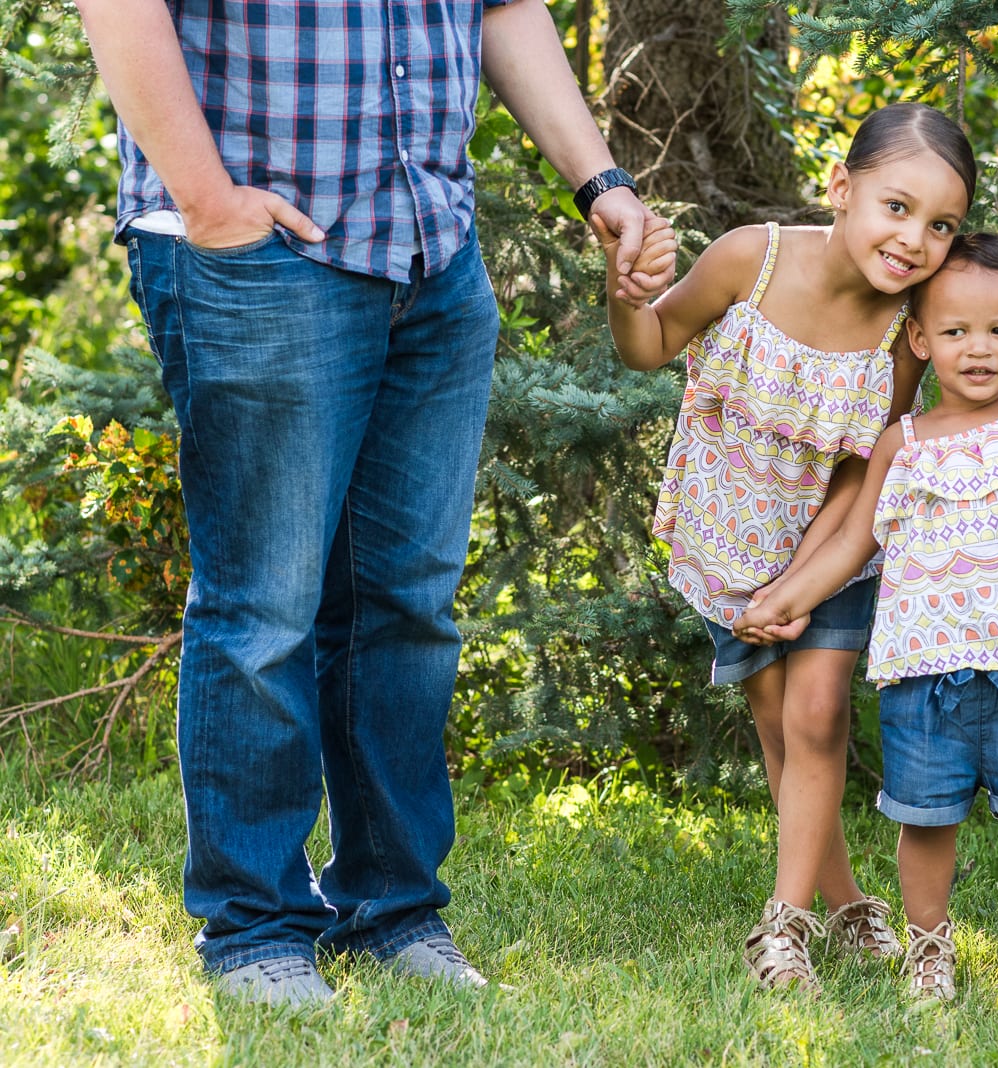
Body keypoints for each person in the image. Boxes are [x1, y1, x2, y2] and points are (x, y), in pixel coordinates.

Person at [74, 0, 675, 1007]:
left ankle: (391, 909)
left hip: (430, 254)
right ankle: (254, 929)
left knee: (406, 608)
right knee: (262, 609)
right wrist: (207, 197)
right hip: (260, 255)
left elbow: (504, 7)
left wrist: (599, 180)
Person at [600, 102, 976, 992]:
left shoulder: (904, 331)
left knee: (818, 718)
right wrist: (623, 297)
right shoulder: (752, 257)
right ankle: (849, 904)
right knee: (779, 729)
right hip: (732, 535)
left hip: (836, 545)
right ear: (842, 189)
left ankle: (784, 927)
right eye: (897, 206)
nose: (915, 238)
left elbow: (861, 471)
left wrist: (806, 583)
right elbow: (649, 346)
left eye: (942, 225)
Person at [734, 233, 998, 1009]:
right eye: (955, 332)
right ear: (921, 340)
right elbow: (854, 542)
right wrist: (785, 602)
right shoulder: (902, 443)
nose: (978, 349)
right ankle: (930, 948)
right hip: (923, 679)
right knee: (925, 826)